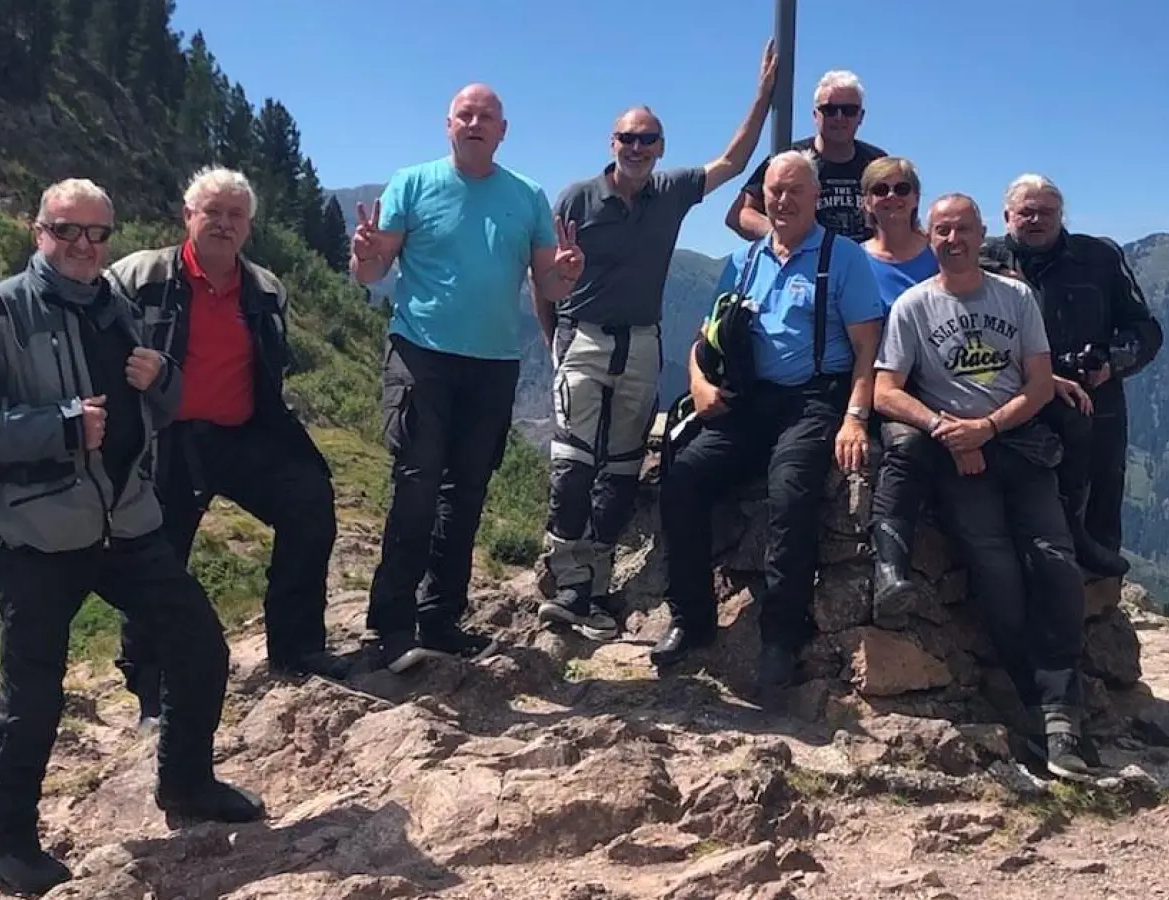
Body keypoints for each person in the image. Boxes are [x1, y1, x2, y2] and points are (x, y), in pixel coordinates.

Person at [0, 179, 264, 896]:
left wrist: (162, 375)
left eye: (96, 234)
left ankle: (186, 783)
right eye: (66, 231)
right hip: (37, 529)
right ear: (37, 231)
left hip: (124, 518)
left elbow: (163, 406)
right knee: (35, 688)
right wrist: (55, 425)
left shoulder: (115, 305)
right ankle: (9, 841)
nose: (83, 246)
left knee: (199, 643)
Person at [535, 40, 778, 641]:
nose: (637, 148)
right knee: (571, 463)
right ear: (611, 144)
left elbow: (732, 160)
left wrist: (764, 96)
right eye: (628, 139)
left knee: (619, 469)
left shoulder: (670, 191)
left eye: (648, 140)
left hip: (643, 343)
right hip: (584, 336)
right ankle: (568, 582)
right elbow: (542, 278)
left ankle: (591, 589)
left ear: (660, 147)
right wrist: (554, 337)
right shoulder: (575, 198)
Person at [349, 84, 584, 674]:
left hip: (494, 361)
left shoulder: (526, 195)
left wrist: (567, 275)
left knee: (467, 492)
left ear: (503, 131)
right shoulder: (412, 183)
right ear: (448, 125)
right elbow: (372, 270)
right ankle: (391, 625)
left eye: (487, 117)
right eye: (465, 115)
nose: (475, 123)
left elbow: (548, 287)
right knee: (418, 484)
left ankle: (440, 619)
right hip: (421, 353)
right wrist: (366, 252)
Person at [105, 167, 346, 724]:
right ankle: (151, 690)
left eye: (235, 214)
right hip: (164, 437)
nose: (223, 223)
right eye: (212, 211)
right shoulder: (138, 276)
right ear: (187, 216)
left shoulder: (265, 289)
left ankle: (296, 647)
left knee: (309, 498)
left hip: (242, 434)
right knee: (154, 553)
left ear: (250, 226)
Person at [872, 192, 1096, 780]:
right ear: (930, 235)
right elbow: (886, 391)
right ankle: (1037, 705)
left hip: (1018, 449)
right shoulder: (913, 306)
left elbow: (1040, 383)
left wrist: (987, 428)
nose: (952, 240)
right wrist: (949, 432)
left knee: (1055, 563)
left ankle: (1060, 711)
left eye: (962, 229)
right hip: (960, 460)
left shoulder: (1015, 296)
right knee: (996, 572)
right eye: (941, 230)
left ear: (981, 234)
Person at [650, 150, 885, 691]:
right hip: (749, 400)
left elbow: (867, 349)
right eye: (775, 190)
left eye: (795, 190)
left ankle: (782, 637)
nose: (782, 200)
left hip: (814, 399)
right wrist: (700, 385)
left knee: (790, 492)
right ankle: (691, 618)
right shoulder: (745, 261)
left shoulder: (843, 259)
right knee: (683, 478)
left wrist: (855, 417)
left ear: (817, 197)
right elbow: (703, 339)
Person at [980, 174, 1164, 577]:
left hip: (1095, 402)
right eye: (1026, 212)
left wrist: (1110, 361)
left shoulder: (1100, 257)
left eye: (1046, 212)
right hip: (1012, 403)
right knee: (1016, 515)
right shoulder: (981, 260)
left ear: (1062, 215)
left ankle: (1097, 617)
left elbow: (1146, 331)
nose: (1035, 220)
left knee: (1097, 513)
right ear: (1007, 215)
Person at [856, 157, 941, 612]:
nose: (892, 197)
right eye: (880, 189)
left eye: (902, 188)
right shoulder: (852, 259)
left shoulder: (941, 253)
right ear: (866, 201)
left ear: (916, 197)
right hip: (881, 390)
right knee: (905, 445)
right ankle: (889, 570)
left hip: (947, 383)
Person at [725, 69, 887, 243]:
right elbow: (739, 214)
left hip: (864, 266)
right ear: (815, 115)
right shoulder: (790, 159)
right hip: (806, 266)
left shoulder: (878, 163)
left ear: (861, 116)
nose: (839, 117)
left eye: (849, 110)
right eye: (829, 110)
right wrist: (785, 232)